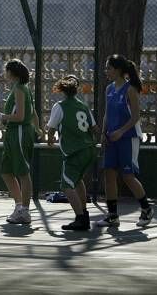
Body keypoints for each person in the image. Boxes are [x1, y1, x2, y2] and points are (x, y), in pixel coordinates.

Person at [96, 54, 154, 228]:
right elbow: (107, 113)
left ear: (119, 70)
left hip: (128, 137)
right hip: (111, 138)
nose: (106, 71)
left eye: (109, 68)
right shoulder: (109, 89)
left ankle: (146, 209)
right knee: (109, 174)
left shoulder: (130, 89)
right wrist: (104, 133)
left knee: (128, 176)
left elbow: (136, 116)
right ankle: (112, 215)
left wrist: (121, 132)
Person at [0, 59, 42, 225]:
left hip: (20, 132)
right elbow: (33, 111)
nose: (4, 73)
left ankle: (26, 211)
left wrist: (2, 116)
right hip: (13, 133)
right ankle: (19, 206)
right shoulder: (19, 88)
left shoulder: (20, 89)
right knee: (6, 171)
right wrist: (38, 128)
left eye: (6, 70)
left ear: (12, 73)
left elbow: (21, 116)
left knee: (23, 172)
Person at [46, 75, 97, 230]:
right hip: (89, 149)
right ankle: (85, 215)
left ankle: (80, 218)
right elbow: (94, 128)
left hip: (74, 152)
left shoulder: (59, 106)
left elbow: (51, 128)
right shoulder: (83, 106)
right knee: (78, 180)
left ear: (62, 89)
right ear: (76, 90)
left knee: (66, 185)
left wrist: (50, 140)